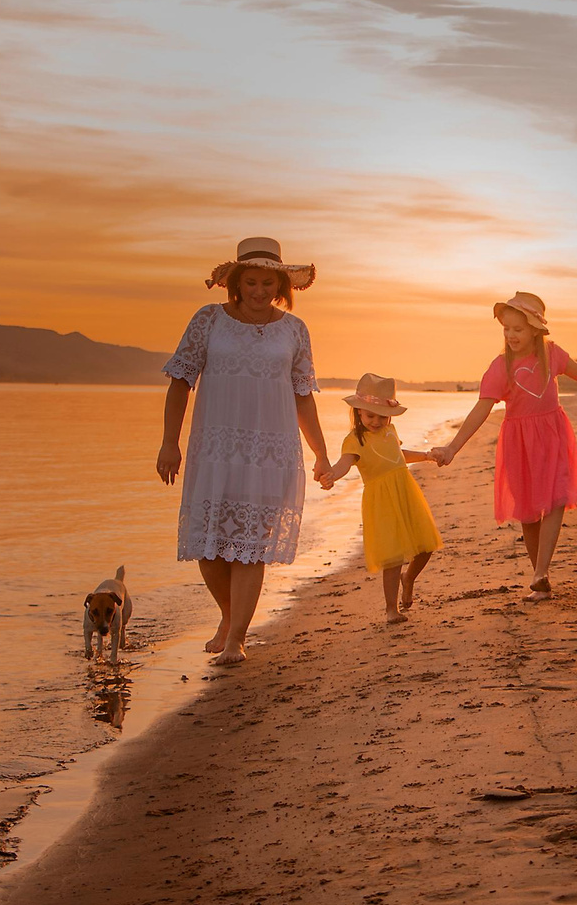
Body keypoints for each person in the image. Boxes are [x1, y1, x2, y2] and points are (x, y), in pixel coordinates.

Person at [156, 237, 329, 665]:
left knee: (251, 546)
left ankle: (236, 639)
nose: (258, 290)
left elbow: (303, 395)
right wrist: (168, 443)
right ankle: (230, 615)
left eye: (267, 282)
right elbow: (180, 381)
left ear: (280, 285)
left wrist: (320, 454)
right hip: (214, 448)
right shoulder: (209, 320)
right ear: (235, 282)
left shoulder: (294, 330)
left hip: (271, 451)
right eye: (250, 281)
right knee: (209, 548)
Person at [431, 292, 577, 600]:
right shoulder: (501, 367)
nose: (511, 335)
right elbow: (481, 409)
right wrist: (451, 447)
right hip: (519, 445)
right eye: (506, 329)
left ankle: (541, 572)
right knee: (528, 514)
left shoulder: (552, 355)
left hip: (552, 436)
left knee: (557, 499)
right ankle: (539, 578)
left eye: (518, 329)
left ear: (535, 330)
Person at [317, 373, 442, 624]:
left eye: (382, 416)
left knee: (426, 547)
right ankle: (391, 608)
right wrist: (331, 475)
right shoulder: (354, 440)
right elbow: (345, 463)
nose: (376, 421)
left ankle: (408, 580)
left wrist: (427, 456)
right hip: (380, 499)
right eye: (370, 415)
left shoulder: (391, 431)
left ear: (390, 416)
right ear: (358, 413)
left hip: (405, 491)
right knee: (393, 557)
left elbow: (399, 455)